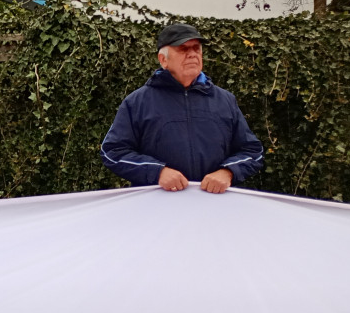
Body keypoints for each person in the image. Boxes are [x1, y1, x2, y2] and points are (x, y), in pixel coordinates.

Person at [100, 23, 264, 194]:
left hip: (214, 208)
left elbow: (252, 151)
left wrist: (228, 172)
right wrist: (157, 172)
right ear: (163, 60)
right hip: (157, 209)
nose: (192, 54)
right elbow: (113, 152)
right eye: (183, 49)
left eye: (196, 49)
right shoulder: (137, 102)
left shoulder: (225, 100)